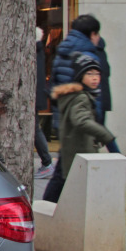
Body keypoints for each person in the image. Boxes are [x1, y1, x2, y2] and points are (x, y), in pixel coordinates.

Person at [43, 54, 115, 204]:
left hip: (74, 148)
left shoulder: (84, 95)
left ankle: (47, 208)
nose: (95, 78)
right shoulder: (80, 97)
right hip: (77, 149)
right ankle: (46, 208)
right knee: (63, 183)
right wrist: (105, 135)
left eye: (97, 74)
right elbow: (81, 120)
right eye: (90, 74)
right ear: (80, 76)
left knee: (62, 183)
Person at [52, 14, 117, 152]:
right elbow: (95, 88)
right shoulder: (89, 55)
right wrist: (97, 115)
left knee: (69, 156)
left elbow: (54, 83)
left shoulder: (62, 50)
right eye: (97, 33)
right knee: (87, 151)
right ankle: (120, 161)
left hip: (65, 110)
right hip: (83, 111)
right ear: (92, 34)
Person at [33, 27, 55, 179]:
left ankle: (47, 162)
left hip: (32, 95)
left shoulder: (33, 51)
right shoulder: (38, 50)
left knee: (34, 129)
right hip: (36, 94)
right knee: (34, 128)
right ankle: (47, 162)